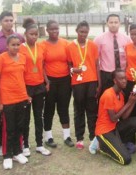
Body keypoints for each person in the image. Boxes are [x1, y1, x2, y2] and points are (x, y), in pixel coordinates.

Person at [0, 11, 25, 156]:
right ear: (0, 21)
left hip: (17, 90)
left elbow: (23, 58)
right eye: (6, 20)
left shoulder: (20, 37)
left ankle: (18, 149)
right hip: (0, 86)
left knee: (17, 123)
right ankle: (2, 146)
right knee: (1, 120)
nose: (9, 22)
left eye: (11, 20)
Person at [0, 35, 30, 170]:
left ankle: (17, 152)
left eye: (18, 44)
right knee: (9, 129)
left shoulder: (23, 58)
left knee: (20, 127)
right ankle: (7, 155)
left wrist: (26, 96)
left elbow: (22, 78)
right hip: (7, 100)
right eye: (13, 45)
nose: (16, 47)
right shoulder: (0, 59)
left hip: (21, 98)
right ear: (7, 46)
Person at [94, 69, 136, 165]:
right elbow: (113, 118)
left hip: (115, 128)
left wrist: (133, 101)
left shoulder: (121, 94)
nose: (124, 80)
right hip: (104, 131)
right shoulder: (108, 94)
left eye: (125, 78)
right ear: (115, 81)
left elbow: (124, 117)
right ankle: (103, 147)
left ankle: (118, 144)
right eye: (121, 79)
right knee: (126, 159)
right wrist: (129, 102)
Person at [19, 18, 51, 157]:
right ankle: (25, 145)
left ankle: (39, 144)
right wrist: (21, 88)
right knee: (25, 118)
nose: (34, 36)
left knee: (39, 116)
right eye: (31, 34)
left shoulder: (42, 47)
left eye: (36, 34)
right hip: (26, 87)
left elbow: (42, 66)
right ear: (25, 34)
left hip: (39, 86)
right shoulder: (20, 48)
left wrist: (46, 81)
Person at [67, 21, 100, 149]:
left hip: (91, 81)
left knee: (92, 110)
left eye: (85, 32)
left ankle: (93, 137)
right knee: (79, 110)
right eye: (81, 32)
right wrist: (72, 70)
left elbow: (97, 65)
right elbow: (69, 64)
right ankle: (79, 138)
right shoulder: (70, 47)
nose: (83, 34)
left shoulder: (92, 45)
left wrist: (99, 83)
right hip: (77, 82)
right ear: (77, 31)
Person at [41, 20, 74, 148]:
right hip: (50, 81)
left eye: (56, 29)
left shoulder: (65, 43)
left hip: (65, 80)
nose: (54, 31)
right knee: (49, 109)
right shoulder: (43, 45)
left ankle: (67, 136)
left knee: (63, 108)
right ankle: (48, 137)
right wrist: (46, 81)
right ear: (47, 30)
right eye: (52, 29)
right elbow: (41, 64)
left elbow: (70, 62)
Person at [94, 14, 131, 95]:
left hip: (122, 74)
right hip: (106, 74)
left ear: (120, 23)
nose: (113, 24)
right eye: (111, 22)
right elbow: (96, 60)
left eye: (116, 22)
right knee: (107, 96)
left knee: (123, 97)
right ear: (107, 23)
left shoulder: (127, 39)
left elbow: (129, 58)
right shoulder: (99, 39)